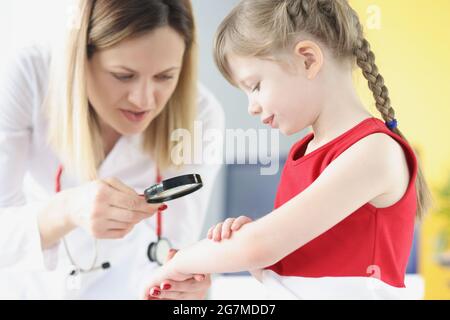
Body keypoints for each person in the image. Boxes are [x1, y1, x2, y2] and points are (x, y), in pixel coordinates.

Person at [143, 0, 433, 299]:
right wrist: (256, 259)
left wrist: (181, 263)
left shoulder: (375, 152)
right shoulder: (303, 154)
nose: (251, 107)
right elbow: (283, 268)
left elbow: (261, 246)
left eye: (254, 85)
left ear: (307, 60)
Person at [0, 0, 224, 299]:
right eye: (123, 75)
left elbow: (173, 246)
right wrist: (66, 210)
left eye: (165, 76)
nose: (144, 100)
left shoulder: (201, 115)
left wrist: (185, 286)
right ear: (82, 56)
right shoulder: (31, 76)